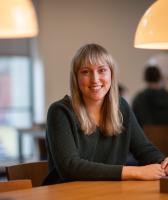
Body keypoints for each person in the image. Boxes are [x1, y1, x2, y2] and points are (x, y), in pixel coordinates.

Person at [44, 44, 168, 185]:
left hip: (108, 192)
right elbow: (70, 167)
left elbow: (144, 149)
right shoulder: (59, 112)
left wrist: (163, 162)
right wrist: (135, 172)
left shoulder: (121, 107)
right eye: (85, 72)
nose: (95, 79)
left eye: (102, 70)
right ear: (76, 78)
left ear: (111, 74)